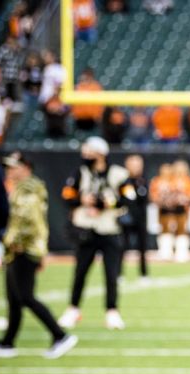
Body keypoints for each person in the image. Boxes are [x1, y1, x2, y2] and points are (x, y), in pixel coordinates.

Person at [0, 153, 78, 359]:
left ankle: (60, 335)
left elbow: (28, 222)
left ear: (26, 168)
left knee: (25, 297)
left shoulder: (29, 189)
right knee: (14, 298)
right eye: (8, 167)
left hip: (24, 249)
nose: (10, 171)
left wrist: (13, 244)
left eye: (14, 167)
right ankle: (8, 342)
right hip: (18, 249)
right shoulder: (20, 188)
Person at [58, 136, 129, 330]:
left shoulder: (117, 173)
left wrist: (107, 203)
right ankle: (73, 309)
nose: (85, 155)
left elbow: (129, 197)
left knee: (111, 274)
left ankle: (112, 312)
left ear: (101, 154)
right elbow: (66, 196)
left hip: (109, 229)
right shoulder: (80, 173)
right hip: (86, 230)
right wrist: (83, 200)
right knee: (80, 272)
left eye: (89, 151)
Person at [118, 154, 150, 279]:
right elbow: (124, 199)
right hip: (126, 219)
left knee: (142, 248)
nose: (137, 168)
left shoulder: (143, 180)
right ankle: (119, 273)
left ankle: (143, 274)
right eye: (135, 165)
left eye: (139, 165)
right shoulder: (124, 181)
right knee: (122, 247)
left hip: (140, 219)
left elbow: (144, 198)